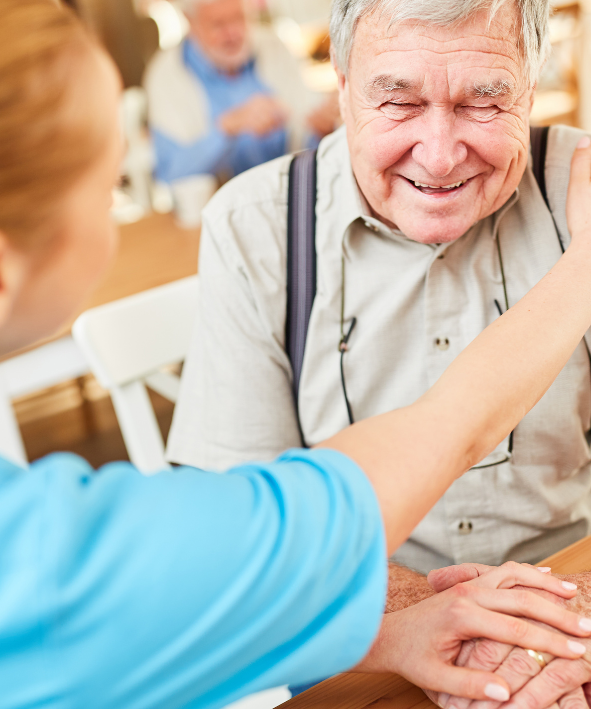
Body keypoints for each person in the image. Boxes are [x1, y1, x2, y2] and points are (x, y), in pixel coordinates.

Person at [4, 1, 591, 707]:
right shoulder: (54, 554)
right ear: (339, 88)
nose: (439, 154)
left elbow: (238, 577)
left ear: (528, 91)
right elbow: (249, 564)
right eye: (109, 188)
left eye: (484, 103)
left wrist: (534, 619)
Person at [144, 0, 335, 186]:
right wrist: (226, 129)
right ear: (190, 22)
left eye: (239, 18)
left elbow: (303, 135)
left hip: (290, 192)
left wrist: (322, 129)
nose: (232, 33)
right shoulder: (166, 74)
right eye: (218, 24)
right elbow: (170, 173)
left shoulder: (274, 47)